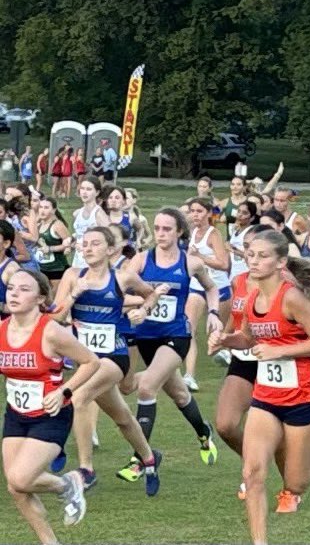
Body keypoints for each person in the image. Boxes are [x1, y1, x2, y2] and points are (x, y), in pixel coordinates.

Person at [208, 230, 310, 540]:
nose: (254, 261)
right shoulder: (251, 297)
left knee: (295, 483)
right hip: (266, 397)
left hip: (302, 396)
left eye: (262, 256)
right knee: (253, 473)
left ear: (280, 262)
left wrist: (280, 351)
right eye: (251, 255)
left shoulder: (292, 298)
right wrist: (225, 340)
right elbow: (248, 337)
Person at [53, 227, 165, 494]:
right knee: (122, 417)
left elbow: (150, 294)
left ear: (110, 249)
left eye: (95, 243)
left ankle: (86, 470)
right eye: (85, 243)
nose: (88, 248)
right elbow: (55, 317)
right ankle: (149, 458)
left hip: (114, 355)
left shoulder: (122, 277)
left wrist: (143, 311)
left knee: (79, 398)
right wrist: (74, 294)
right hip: (86, 360)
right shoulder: (72, 275)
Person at [116, 208, 223, 479]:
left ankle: (140, 459)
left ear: (179, 232)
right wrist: (142, 302)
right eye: (157, 228)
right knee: (180, 395)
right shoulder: (141, 260)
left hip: (176, 335)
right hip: (145, 337)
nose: (161, 234)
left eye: (167, 229)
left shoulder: (190, 263)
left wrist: (213, 313)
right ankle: (204, 432)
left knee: (147, 387)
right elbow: (119, 292)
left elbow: (211, 287)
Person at [1, 269, 102, 543]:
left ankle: (67, 484)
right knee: (15, 488)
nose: (14, 294)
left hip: (51, 414)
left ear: (40, 298)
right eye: (11, 288)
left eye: (24, 289)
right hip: (16, 414)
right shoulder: (2, 329)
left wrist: (63, 391)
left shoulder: (51, 332)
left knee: (21, 478)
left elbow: (91, 362)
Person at [183, 197, 232, 392]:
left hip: (218, 288)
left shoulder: (214, 234)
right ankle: (189, 376)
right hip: (197, 286)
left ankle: (230, 360)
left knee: (217, 336)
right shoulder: (192, 232)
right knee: (189, 330)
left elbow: (224, 264)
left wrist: (200, 257)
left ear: (209, 213)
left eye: (199, 211)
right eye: (192, 211)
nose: (195, 215)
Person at [70, 176, 110, 269]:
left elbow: (111, 238)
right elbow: (78, 236)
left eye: (88, 189)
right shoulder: (77, 213)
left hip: (94, 262)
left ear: (97, 192)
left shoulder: (99, 214)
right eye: (82, 188)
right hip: (78, 259)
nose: (84, 192)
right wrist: (71, 242)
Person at [34, 197, 72, 289]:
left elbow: (69, 243)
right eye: (41, 207)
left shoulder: (57, 225)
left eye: (46, 208)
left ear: (54, 210)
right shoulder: (38, 225)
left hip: (57, 268)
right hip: (42, 268)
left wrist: (50, 249)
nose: (42, 210)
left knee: (54, 297)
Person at [229, 200, 260, 280]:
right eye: (239, 211)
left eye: (245, 213)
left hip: (245, 273)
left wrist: (234, 250)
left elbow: (253, 255)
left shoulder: (251, 233)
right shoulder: (236, 230)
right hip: (233, 273)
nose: (240, 215)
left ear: (252, 218)